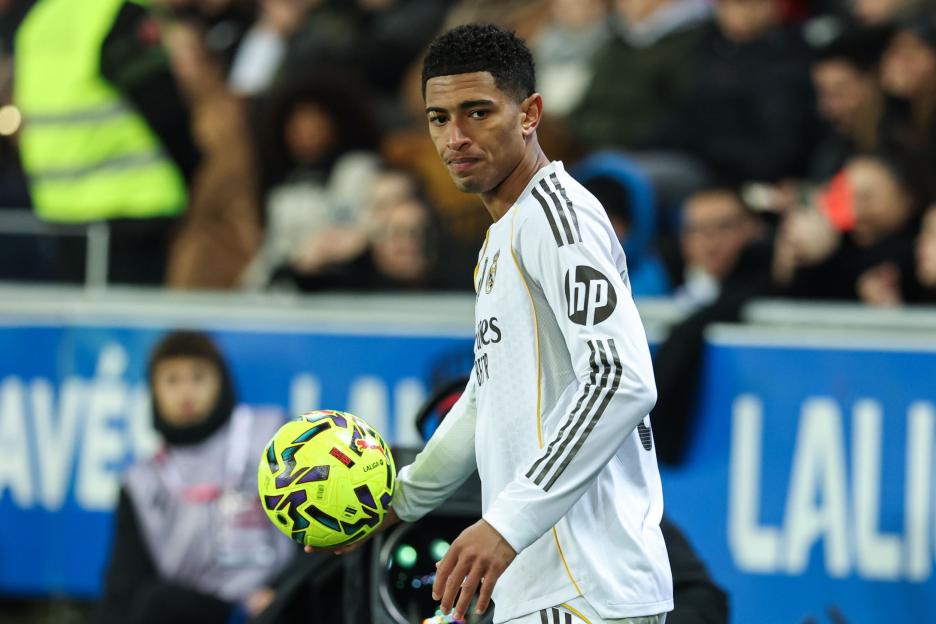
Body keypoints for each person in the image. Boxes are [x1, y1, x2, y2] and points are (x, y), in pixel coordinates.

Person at [312, 24, 672, 624]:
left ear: (529, 113)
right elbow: (486, 396)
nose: (455, 137)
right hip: (547, 588)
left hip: (588, 588)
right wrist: (400, 500)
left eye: (477, 112)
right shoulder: (504, 236)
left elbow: (619, 379)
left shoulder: (558, 222)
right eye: (438, 118)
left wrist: (504, 526)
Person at [96, 331, 296, 624]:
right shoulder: (141, 481)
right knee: (153, 603)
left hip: (281, 599)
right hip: (199, 610)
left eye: (198, 377)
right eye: (172, 380)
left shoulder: (275, 439)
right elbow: (124, 583)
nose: (186, 393)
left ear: (223, 383)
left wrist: (282, 589)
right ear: (153, 390)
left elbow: (317, 531)